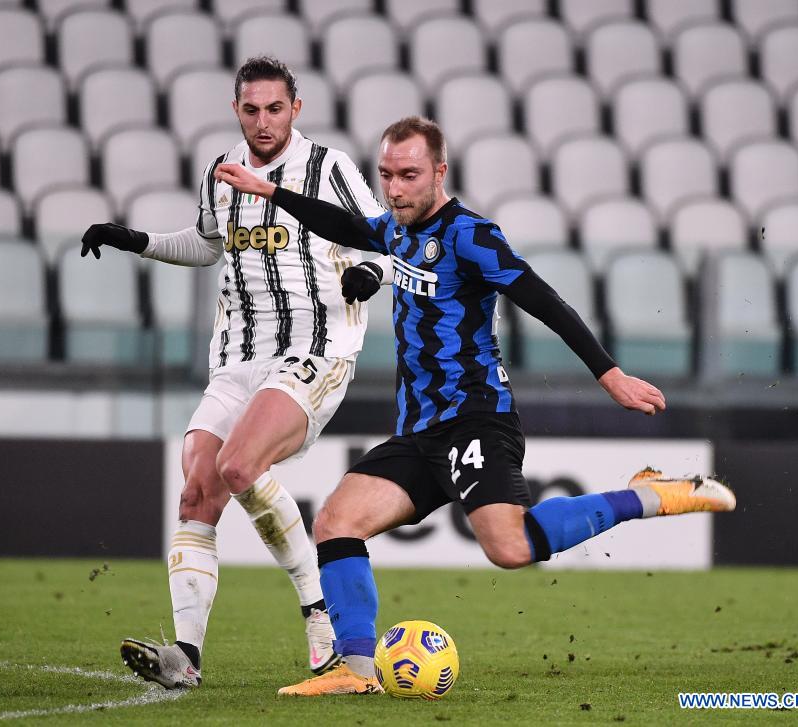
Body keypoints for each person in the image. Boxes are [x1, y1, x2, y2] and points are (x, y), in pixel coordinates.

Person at [213, 115, 737, 696]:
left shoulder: (471, 235)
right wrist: (274, 192)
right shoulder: (395, 229)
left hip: (476, 416)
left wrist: (609, 374)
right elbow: (348, 226)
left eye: (409, 175)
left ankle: (649, 494)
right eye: (386, 175)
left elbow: (544, 299)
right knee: (336, 521)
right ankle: (356, 670)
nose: (395, 188)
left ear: (440, 172)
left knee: (509, 548)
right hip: (419, 430)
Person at [80, 56, 392, 689]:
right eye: (251, 109)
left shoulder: (328, 168)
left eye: (275, 108)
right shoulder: (221, 174)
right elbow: (206, 243)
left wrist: (371, 275)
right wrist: (135, 239)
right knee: (198, 488)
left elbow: (384, 235)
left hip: (317, 347)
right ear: (237, 111)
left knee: (240, 466)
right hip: (237, 358)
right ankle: (185, 660)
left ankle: (317, 607)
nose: (263, 121)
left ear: (295, 109)